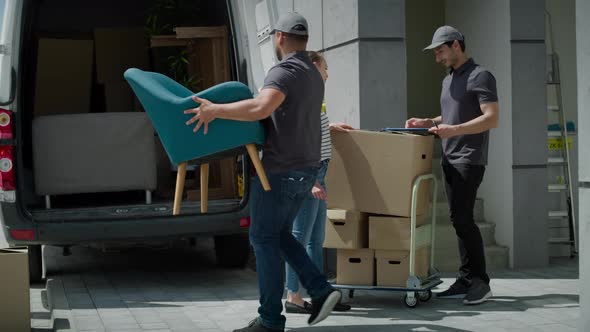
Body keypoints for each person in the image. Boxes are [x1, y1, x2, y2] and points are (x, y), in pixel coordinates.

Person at [184, 12, 341, 332]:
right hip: (306, 171)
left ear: (279, 37)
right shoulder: (312, 73)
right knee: (278, 235)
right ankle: (320, 290)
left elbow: (261, 107)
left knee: (263, 238)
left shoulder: (283, 71)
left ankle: (270, 320)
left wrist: (214, 110)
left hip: (281, 171)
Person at [406, 25, 499, 305]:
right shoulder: (448, 80)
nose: (438, 58)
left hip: (469, 158)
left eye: (440, 51)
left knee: (463, 219)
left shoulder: (481, 75)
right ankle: (467, 278)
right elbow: (450, 114)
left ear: (456, 45)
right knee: (459, 220)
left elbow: (491, 118)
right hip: (450, 156)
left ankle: (481, 282)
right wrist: (428, 122)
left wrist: (454, 130)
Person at [284, 51, 353, 314]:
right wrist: (310, 180)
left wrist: (330, 126)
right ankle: (293, 297)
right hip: (309, 175)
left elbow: (312, 128)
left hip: (317, 173)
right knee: (299, 238)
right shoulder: (304, 95)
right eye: (325, 68)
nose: (327, 74)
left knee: (316, 239)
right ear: (314, 67)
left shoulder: (314, 97)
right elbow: (297, 138)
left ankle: (320, 294)